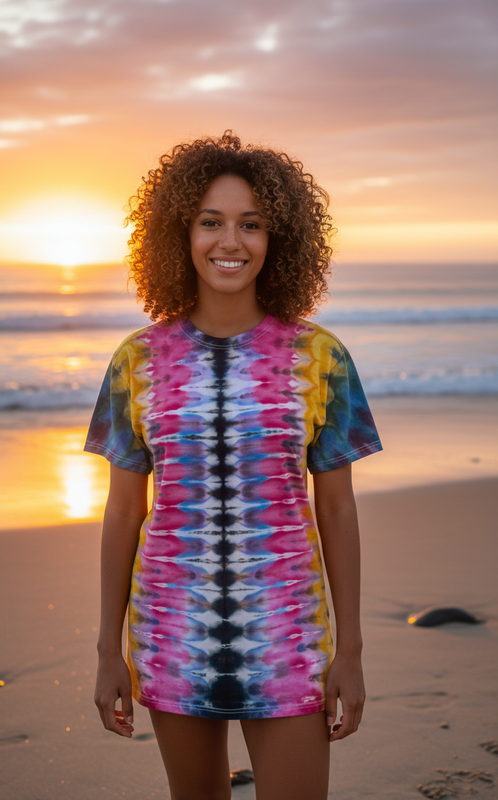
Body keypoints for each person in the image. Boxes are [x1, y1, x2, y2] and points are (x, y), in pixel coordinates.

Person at [84, 130, 382, 800]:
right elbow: (124, 510)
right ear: (178, 235)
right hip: (170, 631)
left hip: (289, 635)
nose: (230, 242)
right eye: (210, 222)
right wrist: (110, 652)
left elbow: (335, 507)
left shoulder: (319, 357)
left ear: (277, 238)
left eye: (250, 224)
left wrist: (351, 653)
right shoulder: (136, 360)